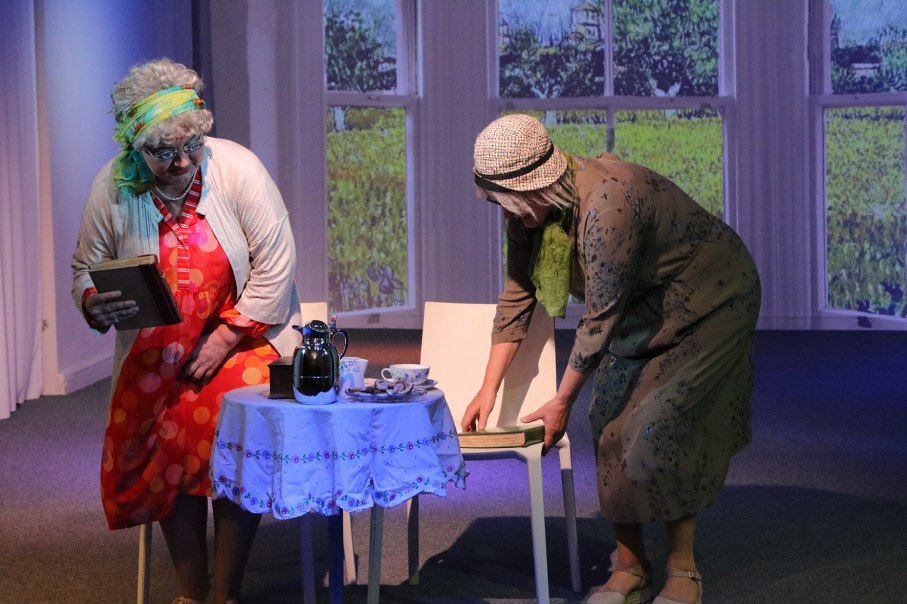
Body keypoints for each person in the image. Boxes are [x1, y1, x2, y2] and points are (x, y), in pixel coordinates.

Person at [461, 114, 761, 604]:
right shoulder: (529, 214)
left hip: (710, 299)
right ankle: (630, 567)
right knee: (608, 422)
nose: (510, 216)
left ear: (537, 185)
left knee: (663, 423)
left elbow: (600, 318)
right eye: (501, 205)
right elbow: (517, 298)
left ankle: (683, 570)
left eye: (512, 203)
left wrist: (561, 400)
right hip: (642, 304)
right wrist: (487, 388)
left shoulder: (608, 205)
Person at [71, 58, 301, 604]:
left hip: (243, 337)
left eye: (191, 146)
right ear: (135, 146)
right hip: (158, 348)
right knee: (168, 438)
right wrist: (94, 302)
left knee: (234, 431)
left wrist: (223, 339)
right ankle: (193, 594)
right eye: (163, 151)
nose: (181, 162)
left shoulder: (238, 169)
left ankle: (226, 594)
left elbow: (277, 264)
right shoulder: (112, 185)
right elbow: (86, 267)